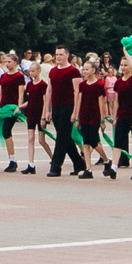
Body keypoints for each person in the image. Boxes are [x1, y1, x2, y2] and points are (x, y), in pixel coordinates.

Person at [44, 47, 90, 178]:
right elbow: (49, 90)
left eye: (61, 54)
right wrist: (47, 110)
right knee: (65, 137)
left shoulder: (73, 71)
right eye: (56, 54)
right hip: (56, 107)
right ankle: (79, 163)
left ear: (67, 55)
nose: (58, 57)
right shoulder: (53, 71)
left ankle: (56, 166)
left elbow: (77, 91)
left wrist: (75, 112)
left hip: (68, 106)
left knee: (61, 138)